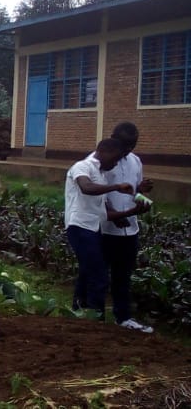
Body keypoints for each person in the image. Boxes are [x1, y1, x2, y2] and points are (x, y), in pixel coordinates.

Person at [65, 138, 133, 321]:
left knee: (88, 271)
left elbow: (103, 210)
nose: (116, 163)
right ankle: (96, 319)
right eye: (115, 159)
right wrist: (117, 186)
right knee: (99, 275)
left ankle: (79, 312)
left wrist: (131, 211)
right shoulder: (82, 166)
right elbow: (86, 187)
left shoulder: (101, 174)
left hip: (92, 229)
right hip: (79, 227)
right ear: (104, 152)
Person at [101, 122, 154, 333]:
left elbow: (133, 192)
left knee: (123, 276)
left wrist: (141, 194)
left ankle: (123, 318)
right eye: (125, 145)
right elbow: (97, 193)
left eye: (132, 146)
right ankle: (87, 317)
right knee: (96, 275)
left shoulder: (135, 161)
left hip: (130, 229)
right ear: (113, 138)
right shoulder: (100, 160)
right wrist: (114, 214)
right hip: (105, 229)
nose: (128, 150)